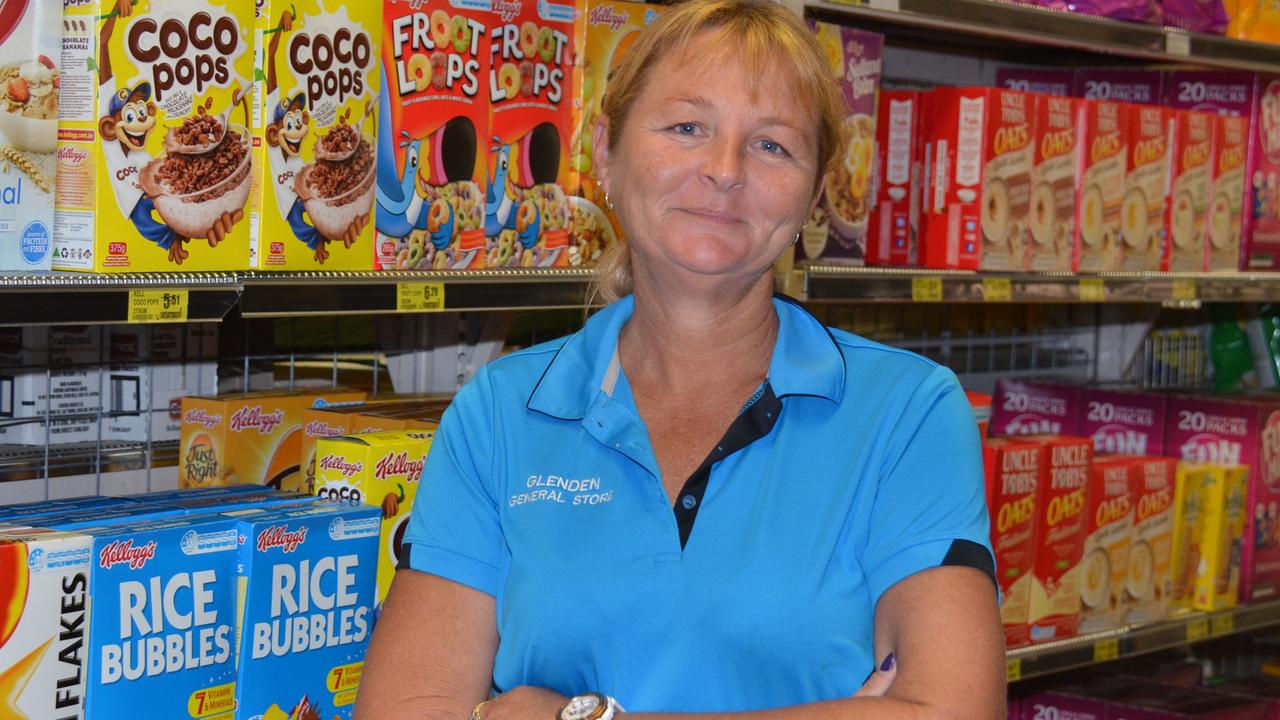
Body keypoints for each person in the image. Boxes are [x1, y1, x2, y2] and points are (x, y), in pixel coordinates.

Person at [356, 2, 1005, 718]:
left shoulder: (907, 414)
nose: (723, 171)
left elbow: (955, 710)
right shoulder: (499, 416)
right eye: (687, 127)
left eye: (772, 146)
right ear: (604, 152)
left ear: (816, 193)